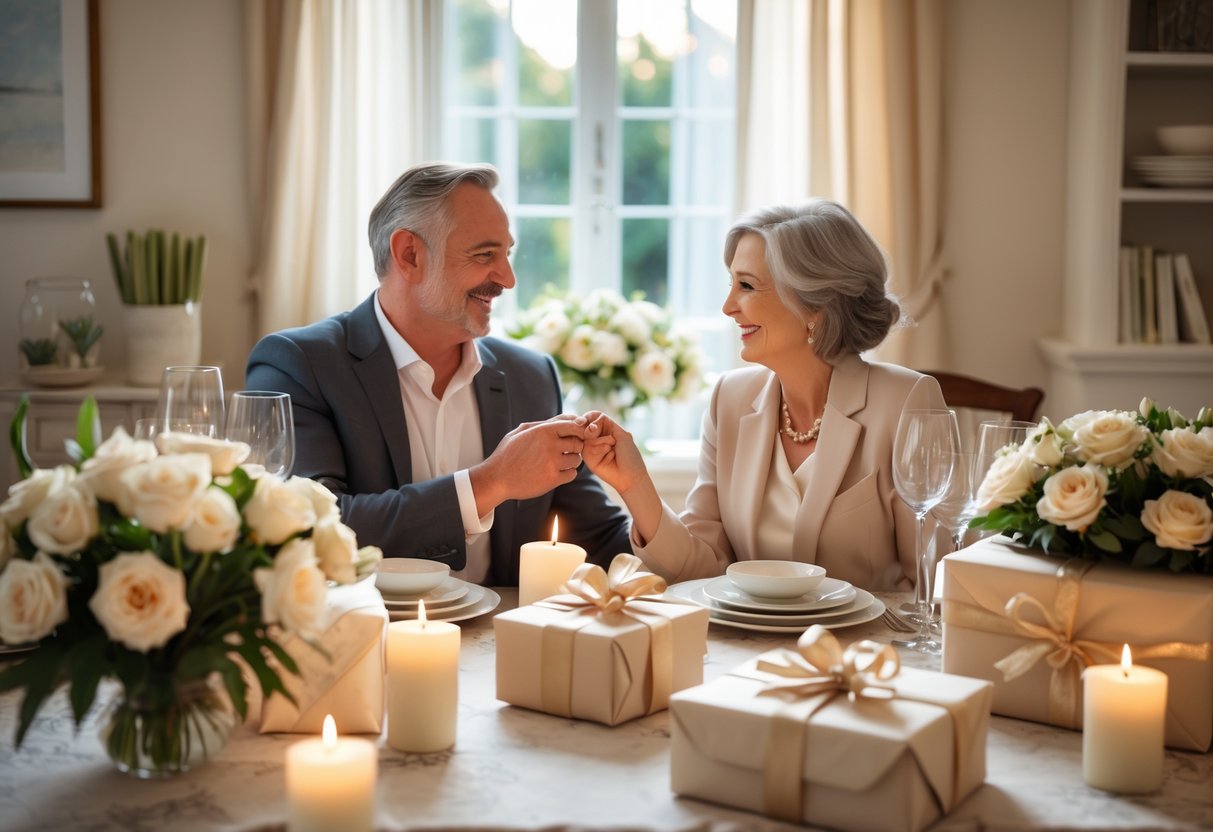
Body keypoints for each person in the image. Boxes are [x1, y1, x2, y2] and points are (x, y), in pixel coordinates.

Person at [246, 162, 631, 586]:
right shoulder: (298, 364)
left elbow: (601, 540)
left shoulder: (530, 376)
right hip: (365, 641)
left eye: (507, 254)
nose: (507, 278)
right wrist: (491, 481)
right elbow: (310, 529)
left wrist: (648, 498)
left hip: (500, 646)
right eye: (485, 255)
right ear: (410, 254)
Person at [581, 199, 945, 591]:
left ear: (815, 305)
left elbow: (934, 578)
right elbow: (700, 566)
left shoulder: (905, 401)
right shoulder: (731, 399)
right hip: (745, 649)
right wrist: (635, 484)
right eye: (731, 284)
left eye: (747, 286)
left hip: (864, 648)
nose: (727, 307)